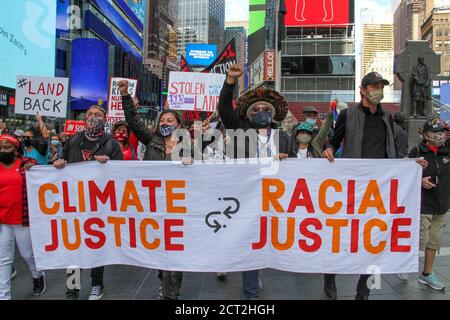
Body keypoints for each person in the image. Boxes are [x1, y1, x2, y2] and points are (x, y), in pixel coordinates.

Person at [322, 71, 402, 300]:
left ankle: (363, 289)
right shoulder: (348, 115)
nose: (379, 90)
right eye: (375, 86)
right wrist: (329, 148)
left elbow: (393, 149)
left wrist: (411, 164)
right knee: (343, 234)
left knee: (373, 239)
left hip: (378, 188)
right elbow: (333, 140)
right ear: (363, 90)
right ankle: (330, 274)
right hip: (352, 185)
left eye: (381, 86)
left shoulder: (386, 118)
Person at [218, 64, 291, 299]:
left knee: (264, 240)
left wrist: (285, 161)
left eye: (265, 108)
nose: (261, 111)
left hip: (274, 199)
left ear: (271, 114)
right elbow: (224, 109)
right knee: (250, 239)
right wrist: (230, 81)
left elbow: (299, 166)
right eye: (256, 109)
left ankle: (254, 268)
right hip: (246, 197)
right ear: (249, 115)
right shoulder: (239, 130)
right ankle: (251, 292)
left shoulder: (284, 138)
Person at [120, 80, 192, 300]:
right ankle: (165, 280)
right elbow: (133, 121)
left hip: (179, 206)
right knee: (161, 250)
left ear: (178, 124)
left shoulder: (189, 145)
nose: (165, 122)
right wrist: (125, 95)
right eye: (163, 120)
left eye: (170, 120)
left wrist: (194, 161)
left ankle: (171, 294)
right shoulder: (151, 139)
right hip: (155, 203)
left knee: (174, 252)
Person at [53, 105, 124, 300]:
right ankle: (72, 288)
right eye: (89, 114)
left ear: (105, 119)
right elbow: (59, 160)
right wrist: (58, 163)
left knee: (95, 245)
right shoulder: (73, 140)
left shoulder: (112, 145)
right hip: (74, 204)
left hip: (99, 205)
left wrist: (108, 164)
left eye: (97, 115)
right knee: (73, 248)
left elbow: (122, 175)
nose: (92, 117)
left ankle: (97, 283)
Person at [0, 134, 46, 299]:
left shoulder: (25, 164)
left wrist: (30, 164)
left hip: (22, 220)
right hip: (2, 221)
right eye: (1, 148)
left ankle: (38, 275)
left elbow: (38, 168)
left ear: (16, 148)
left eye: (7, 148)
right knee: (3, 260)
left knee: (27, 254)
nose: (3, 151)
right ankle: (4, 295)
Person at [408, 118, 450, 291]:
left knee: (434, 241)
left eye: (441, 132)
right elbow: (405, 175)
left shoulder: (447, 151)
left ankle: (427, 274)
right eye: (434, 133)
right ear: (425, 135)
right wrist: (420, 179)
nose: (438, 136)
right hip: (422, 204)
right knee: (420, 239)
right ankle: (403, 266)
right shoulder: (417, 151)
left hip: (441, 204)